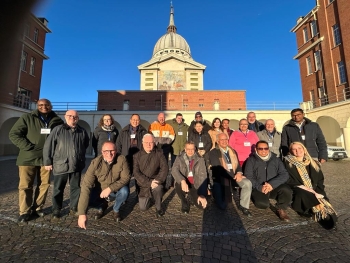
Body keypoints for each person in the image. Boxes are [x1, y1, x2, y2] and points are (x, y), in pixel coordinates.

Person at [9, 99, 63, 222]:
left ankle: (37, 208)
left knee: (44, 185)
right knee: (25, 186)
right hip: (28, 158)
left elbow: (60, 138)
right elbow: (14, 134)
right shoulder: (27, 117)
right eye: (41, 105)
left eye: (47, 105)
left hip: (47, 159)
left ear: (51, 106)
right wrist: (28, 147)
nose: (44, 107)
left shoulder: (57, 120)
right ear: (37, 106)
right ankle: (24, 211)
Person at [43, 110, 89, 219]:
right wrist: (47, 161)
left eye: (75, 116)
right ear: (65, 117)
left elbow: (85, 144)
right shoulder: (58, 130)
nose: (73, 118)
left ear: (78, 118)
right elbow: (48, 146)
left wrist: (79, 156)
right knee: (58, 189)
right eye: (70, 116)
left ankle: (73, 207)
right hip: (61, 165)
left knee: (75, 188)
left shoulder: (82, 131)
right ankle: (56, 209)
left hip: (76, 165)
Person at [284, 142, 337, 229]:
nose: (298, 151)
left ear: (304, 149)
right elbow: (288, 179)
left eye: (300, 148)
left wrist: (319, 192)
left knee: (324, 202)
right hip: (298, 188)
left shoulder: (313, 162)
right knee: (304, 194)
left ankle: (320, 210)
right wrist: (306, 188)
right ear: (291, 151)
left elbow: (320, 180)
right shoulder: (287, 162)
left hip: (314, 189)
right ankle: (313, 210)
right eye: (294, 149)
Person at [77, 142, 130, 229]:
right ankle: (101, 206)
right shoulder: (95, 163)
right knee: (87, 197)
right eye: (106, 151)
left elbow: (126, 178)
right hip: (100, 191)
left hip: (115, 190)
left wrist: (110, 188)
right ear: (102, 152)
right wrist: (82, 213)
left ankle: (116, 209)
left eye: (112, 151)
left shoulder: (121, 159)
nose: (109, 154)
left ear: (116, 151)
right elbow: (86, 185)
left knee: (125, 191)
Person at [244, 140, 292, 222]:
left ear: (268, 149)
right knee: (262, 205)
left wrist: (271, 184)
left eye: (266, 148)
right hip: (259, 187)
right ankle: (258, 197)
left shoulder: (276, 159)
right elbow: (249, 176)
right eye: (260, 149)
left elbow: (284, 174)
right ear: (256, 149)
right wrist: (259, 187)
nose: (263, 150)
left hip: (274, 186)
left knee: (287, 190)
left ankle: (281, 208)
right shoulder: (251, 160)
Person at [209, 133, 252, 216]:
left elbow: (238, 165)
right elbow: (218, 169)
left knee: (247, 183)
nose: (224, 141)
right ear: (217, 141)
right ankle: (215, 193)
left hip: (235, 176)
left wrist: (239, 173)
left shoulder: (232, 151)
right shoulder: (213, 152)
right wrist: (233, 176)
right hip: (221, 178)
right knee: (223, 205)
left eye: (226, 139)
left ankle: (244, 206)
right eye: (222, 140)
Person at [133, 134, 168, 217]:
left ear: (154, 143)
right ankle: (150, 198)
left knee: (158, 188)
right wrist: (149, 183)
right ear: (142, 143)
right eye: (146, 142)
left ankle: (158, 207)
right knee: (143, 208)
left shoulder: (159, 153)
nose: (148, 144)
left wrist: (158, 181)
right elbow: (136, 172)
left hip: (156, 181)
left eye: (151, 142)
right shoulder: (137, 156)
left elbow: (165, 168)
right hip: (144, 184)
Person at [171, 141, 208, 214]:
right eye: (188, 149)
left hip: (195, 184)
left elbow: (203, 176)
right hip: (184, 183)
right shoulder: (179, 158)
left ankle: (192, 195)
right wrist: (182, 180)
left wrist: (202, 194)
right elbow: (174, 170)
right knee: (178, 185)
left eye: (192, 149)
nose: (190, 151)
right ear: (185, 149)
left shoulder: (200, 159)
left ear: (195, 149)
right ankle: (184, 201)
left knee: (202, 206)